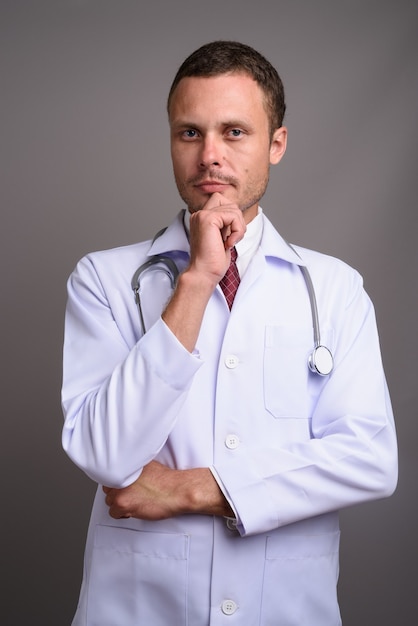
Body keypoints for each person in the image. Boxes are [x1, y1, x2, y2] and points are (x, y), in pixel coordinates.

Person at [61, 40, 398, 625]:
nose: (209, 156)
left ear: (276, 145)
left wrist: (198, 489)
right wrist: (197, 281)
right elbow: (103, 454)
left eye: (234, 132)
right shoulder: (105, 278)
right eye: (189, 133)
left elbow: (370, 458)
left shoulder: (336, 289)